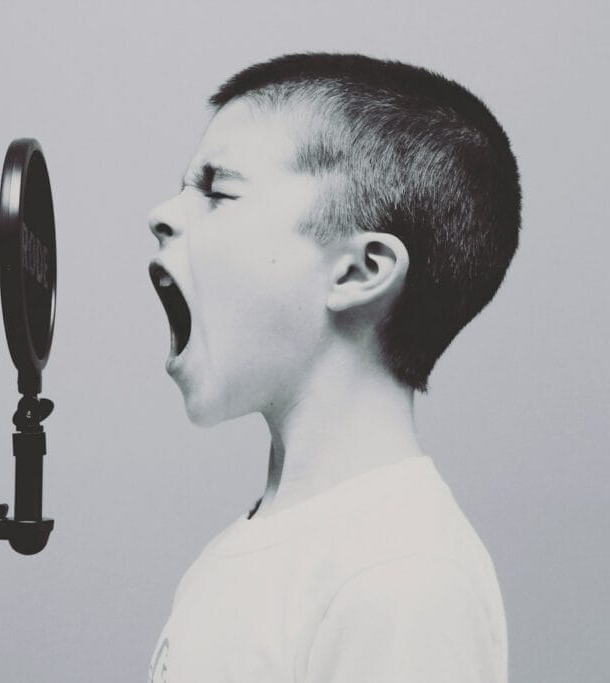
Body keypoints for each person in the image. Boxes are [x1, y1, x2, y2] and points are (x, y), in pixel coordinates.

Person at [147, 53, 519, 683]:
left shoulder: (402, 578)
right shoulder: (247, 552)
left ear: (359, 271)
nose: (162, 214)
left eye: (217, 190)